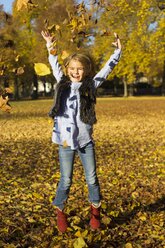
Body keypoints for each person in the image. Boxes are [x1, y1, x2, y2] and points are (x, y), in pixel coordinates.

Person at [41, 30, 121, 232]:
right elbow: (54, 63)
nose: (76, 72)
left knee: (92, 178)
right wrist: (50, 45)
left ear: (85, 71)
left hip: (85, 141)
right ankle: (60, 212)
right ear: (68, 69)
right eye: (73, 68)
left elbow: (105, 72)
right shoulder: (62, 83)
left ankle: (95, 213)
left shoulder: (90, 86)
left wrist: (117, 53)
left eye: (80, 69)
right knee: (66, 180)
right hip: (66, 142)